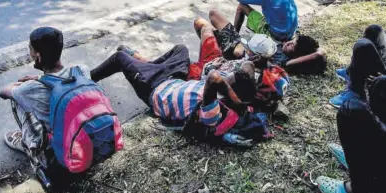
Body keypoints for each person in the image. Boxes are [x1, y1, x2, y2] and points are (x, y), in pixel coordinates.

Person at [90, 43, 265, 145]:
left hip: (154, 87)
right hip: (174, 79)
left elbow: (214, 78)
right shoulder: (231, 97)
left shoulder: (216, 113)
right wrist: (249, 64)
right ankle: (146, 64)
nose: (228, 78)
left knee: (119, 57)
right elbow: (246, 68)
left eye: (230, 81)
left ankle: (85, 81)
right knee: (181, 49)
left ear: (232, 93)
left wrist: (234, 99)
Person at [0, 27, 91, 154]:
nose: (29, 52)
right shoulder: (81, 70)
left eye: (30, 49)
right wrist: (39, 77)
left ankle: (28, 143)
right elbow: (61, 79)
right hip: (86, 133)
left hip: (62, 147)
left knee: (18, 100)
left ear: (37, 55)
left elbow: (3, 93)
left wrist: (21, 84)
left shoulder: (30, 88)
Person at [207, 7, 325, 75]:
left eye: (292, 45)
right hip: (240, 41)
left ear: (297, 55)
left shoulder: (286, 62)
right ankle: (218, 49)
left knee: (205, 27)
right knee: (213, 14)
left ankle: (216, 56)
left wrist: (315, 51)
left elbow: (319, 53)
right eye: (292, 41)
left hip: (237, 49)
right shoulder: (284, 45)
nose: (288, 43)